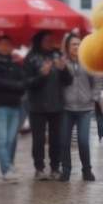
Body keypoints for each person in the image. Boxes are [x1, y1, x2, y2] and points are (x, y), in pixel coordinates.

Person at [24, 30, 72, 180]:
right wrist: (41, 76)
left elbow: (68, 81)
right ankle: (39, 168)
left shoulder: (57, 56)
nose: (50, 42)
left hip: (56, 105)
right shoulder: (31, 58)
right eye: (47, 40)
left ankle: (55, 167)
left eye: (51, 39)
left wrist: (63, 70)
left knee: (55, 139)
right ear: (39, 41)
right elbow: (27, 82)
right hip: (36, 106)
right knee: (38, 139)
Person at [0, 36, 27, 183]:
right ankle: (6, 170)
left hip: (14, 106)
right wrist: (15, 86)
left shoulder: (15, 63)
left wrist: (16, 86)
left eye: (8, 44)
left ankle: (7, 167)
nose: (5, 47)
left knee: (10, 139)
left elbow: (23, 82)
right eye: (2, 44)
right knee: (0, 139)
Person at [59, 33, 101, 181]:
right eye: (73, 44)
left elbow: (98, 80)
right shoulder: (62, 62)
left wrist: (93, 98)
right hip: (66, 108)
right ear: (67, 47)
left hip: (85, 109)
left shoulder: (87, 61)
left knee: (83, 141)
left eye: (78, 44)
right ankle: (65, 170)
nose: (76, 47)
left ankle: (87, 170)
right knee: (64, 141)